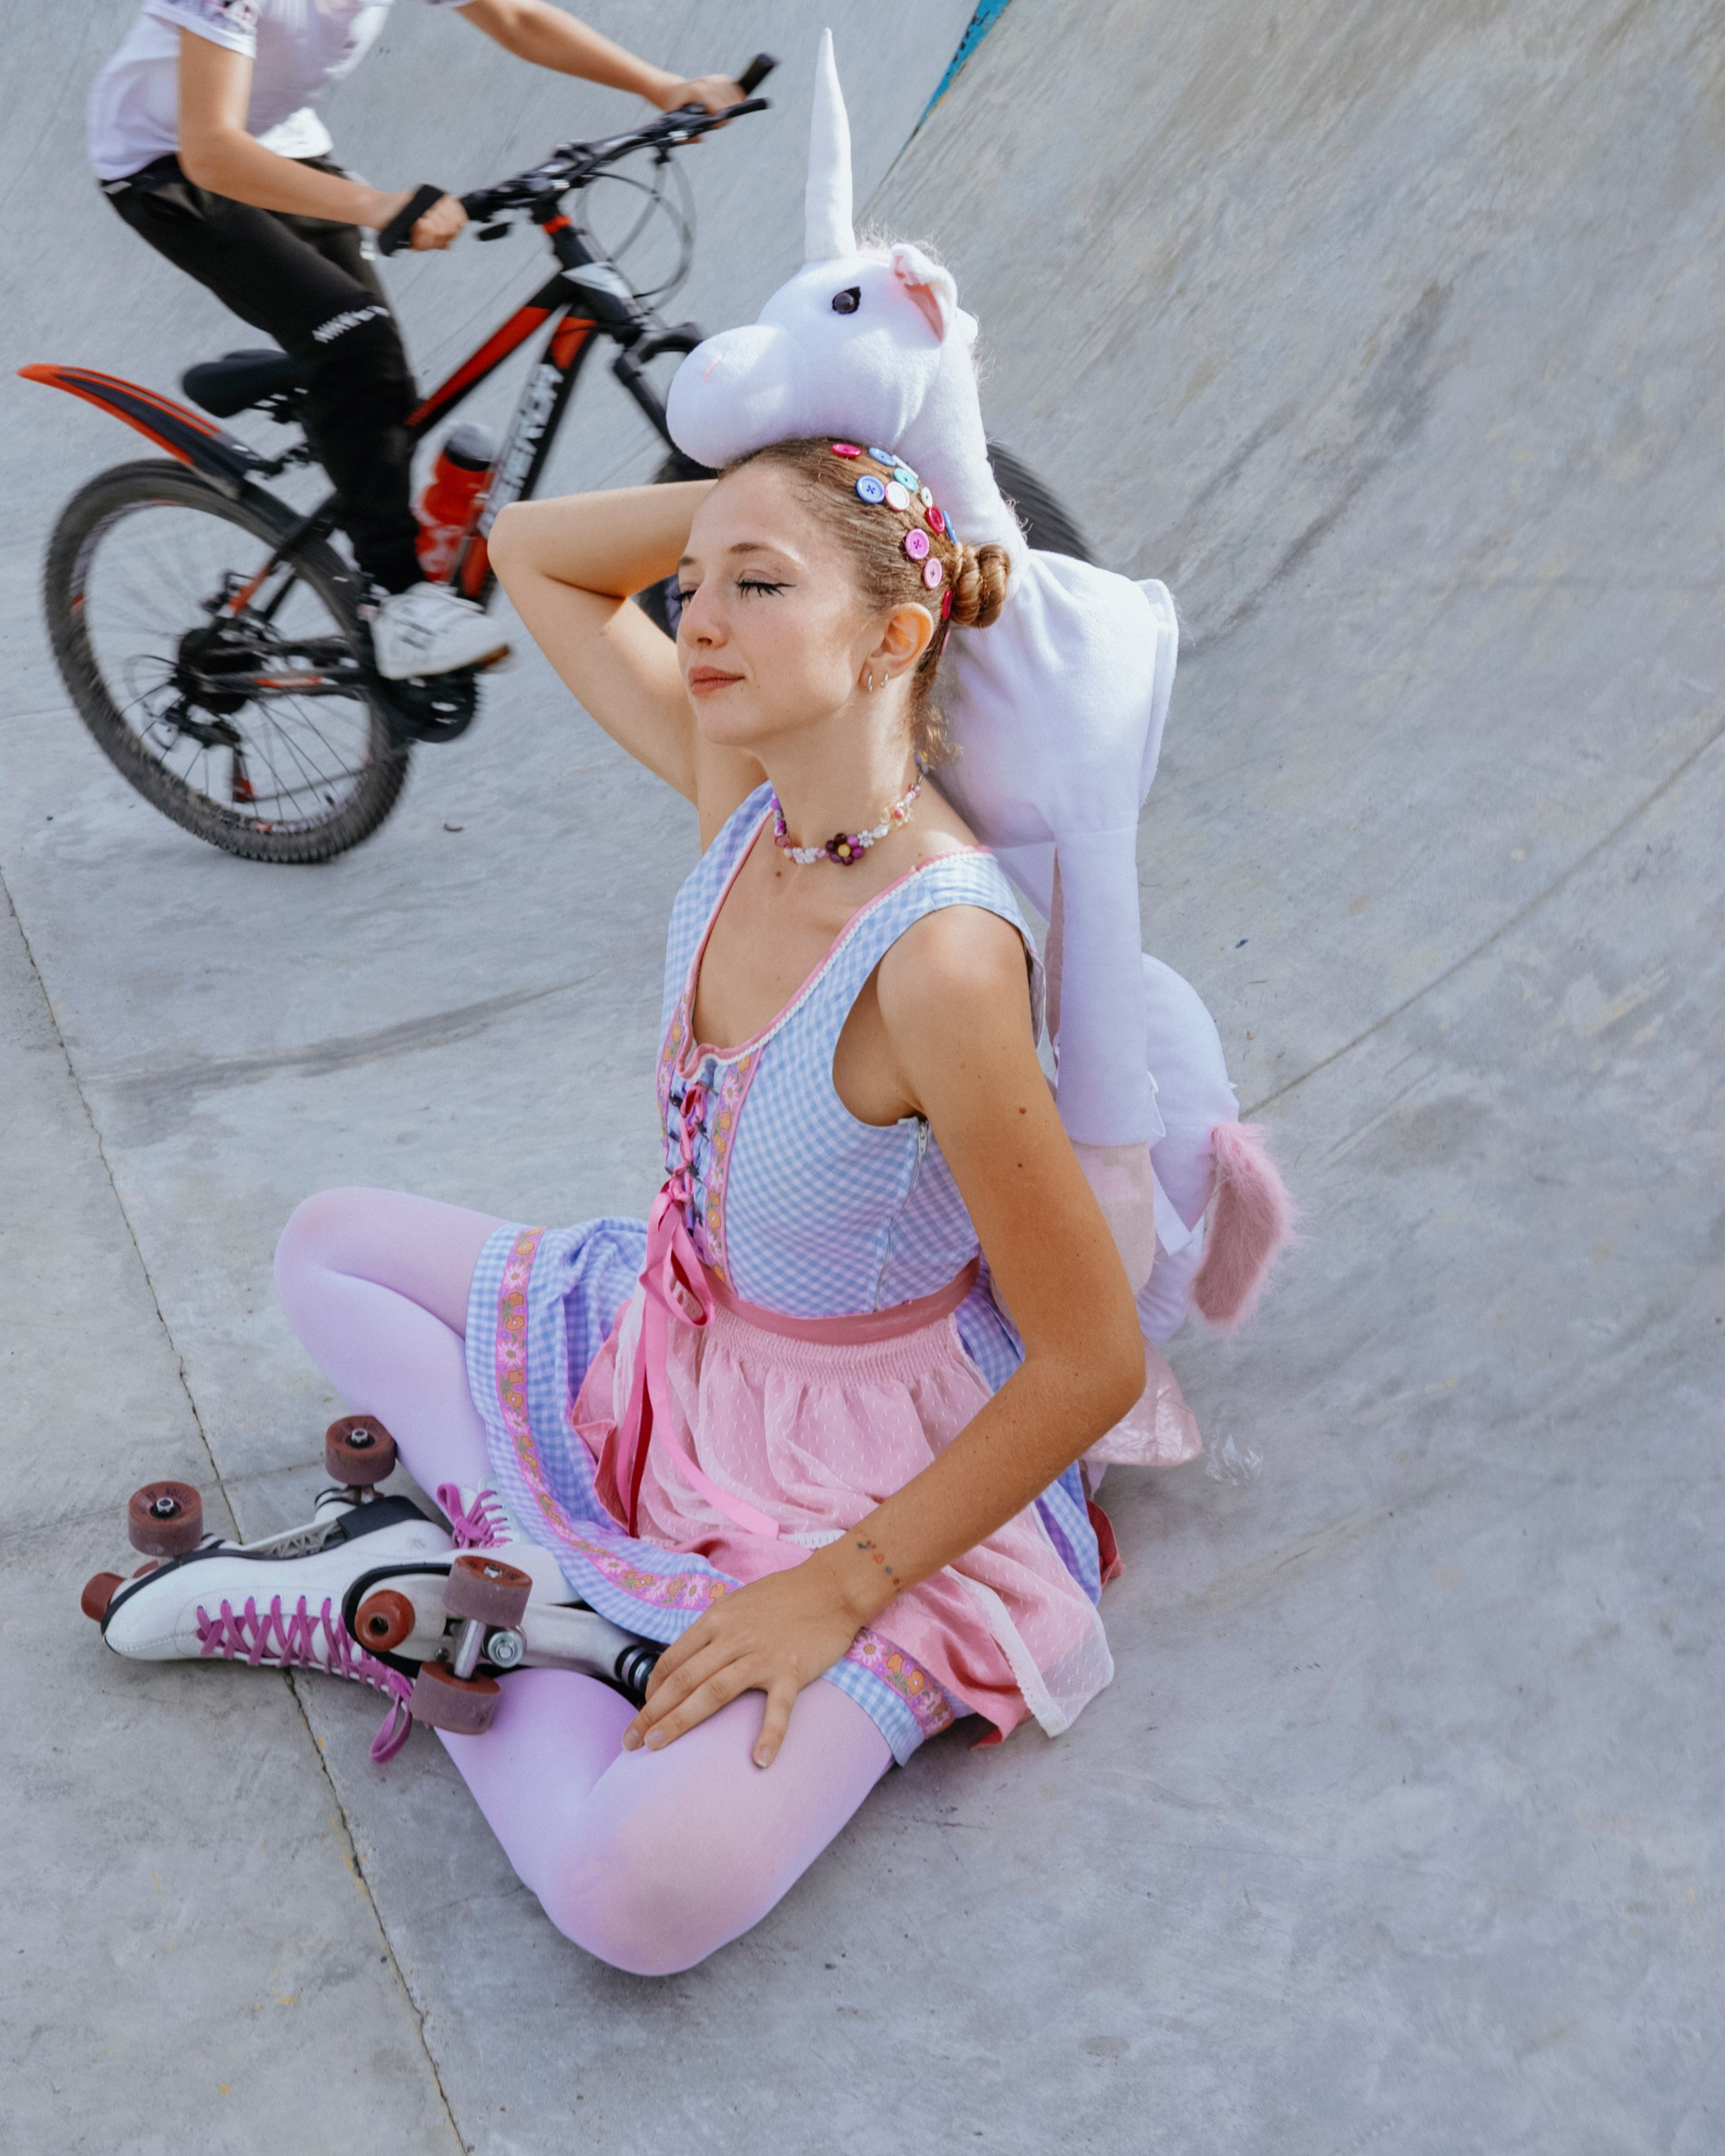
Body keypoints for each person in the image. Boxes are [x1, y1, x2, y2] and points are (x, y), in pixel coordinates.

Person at [95, 439, 1148, 1975]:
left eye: (758, 587)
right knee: (327, 1245)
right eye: (695, 581)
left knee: (629, 1899)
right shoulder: (747, 799)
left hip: (854, 1478)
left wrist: (833, 1593)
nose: (697, 618)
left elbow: (1091, 1360)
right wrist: (789, 475)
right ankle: (515, 1589)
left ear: (894, 635)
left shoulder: (940, 960)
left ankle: (435, 1590)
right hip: (671, 1345)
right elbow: (535, 550)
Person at [88, 1, 744, 679]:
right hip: (166, 166)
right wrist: (380, 205)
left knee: (381, 384)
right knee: (358, 343)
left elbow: (513, 18)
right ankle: (396, 601)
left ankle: (359, 446)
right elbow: (211, 152)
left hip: (282, 146)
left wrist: (662, 86)